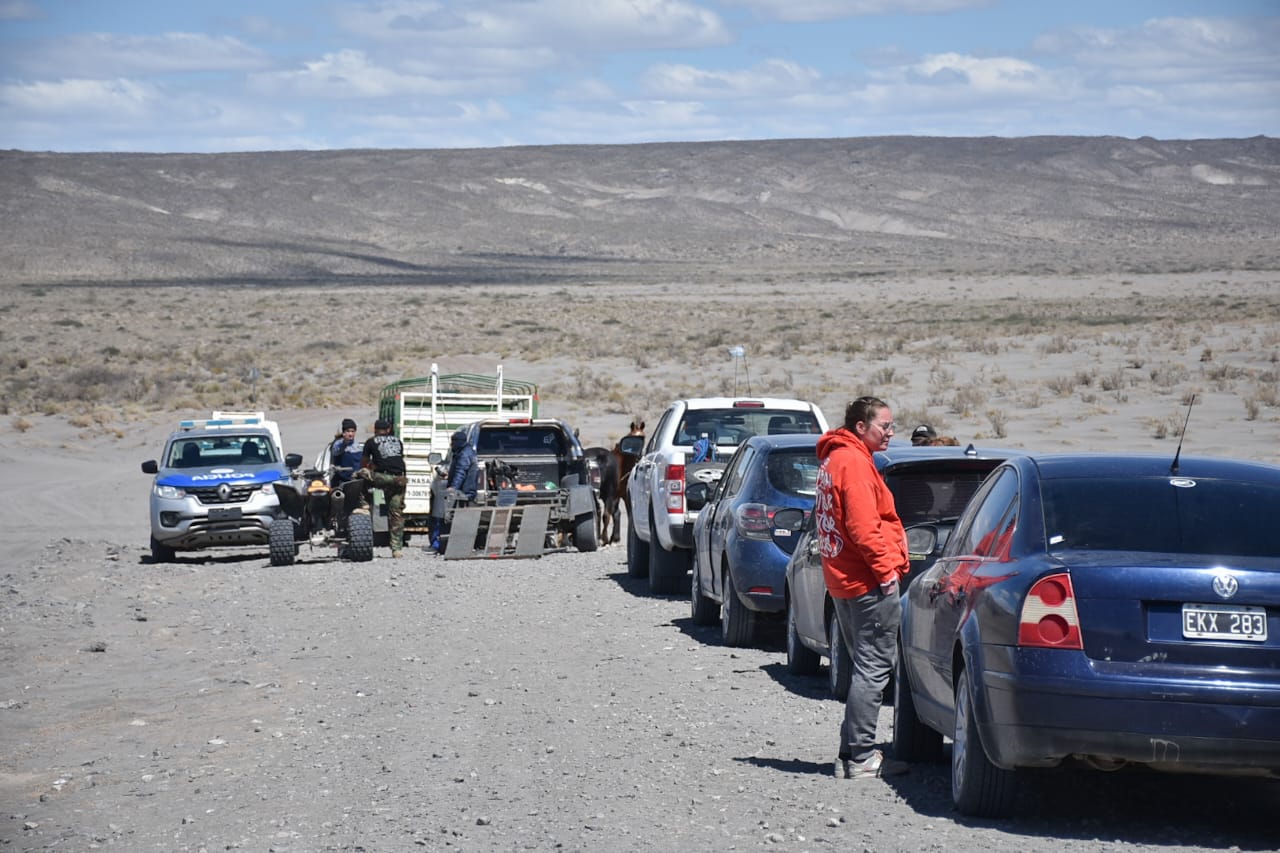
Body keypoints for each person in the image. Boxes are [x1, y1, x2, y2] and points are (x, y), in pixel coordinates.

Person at [815, 396, 911, 780]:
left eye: (891, 426)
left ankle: (850, 753)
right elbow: (862, 527)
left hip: (845, 580)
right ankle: (861, 756)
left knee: (863, 667)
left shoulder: (836, 459)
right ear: (860, 426)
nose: (890, 432)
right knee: (873, 668)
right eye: (883, 426)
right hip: (866, 581)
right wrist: (886, 573)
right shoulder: (853, 463)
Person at [358, 418, 407, 558]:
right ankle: (397, 549)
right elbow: (396, 459)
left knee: (359, 475)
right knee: (396, 514)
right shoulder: (398, 441)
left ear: (375, 430)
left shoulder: (371, 442)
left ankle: (364, 504)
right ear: (388, 429)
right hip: (400, 479)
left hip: (383, 478)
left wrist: (367, 468)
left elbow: (364, 462)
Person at [446, 428, 479, 502]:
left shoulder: (464, 454)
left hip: (465, 493)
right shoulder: (465, 451)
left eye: (453, 442)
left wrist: (454, 487)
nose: (451, 444)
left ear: (458, 442)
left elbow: (461, 472)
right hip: (465, 492)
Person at [330, 418, 363, 484]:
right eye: (348, 431)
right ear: (343, 432)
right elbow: (336, 452)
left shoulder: (358, 447)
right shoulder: (338, 444)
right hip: (341, 481)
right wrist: (345, 443)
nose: (350, 434)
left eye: (352, 431)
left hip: (355, 480)